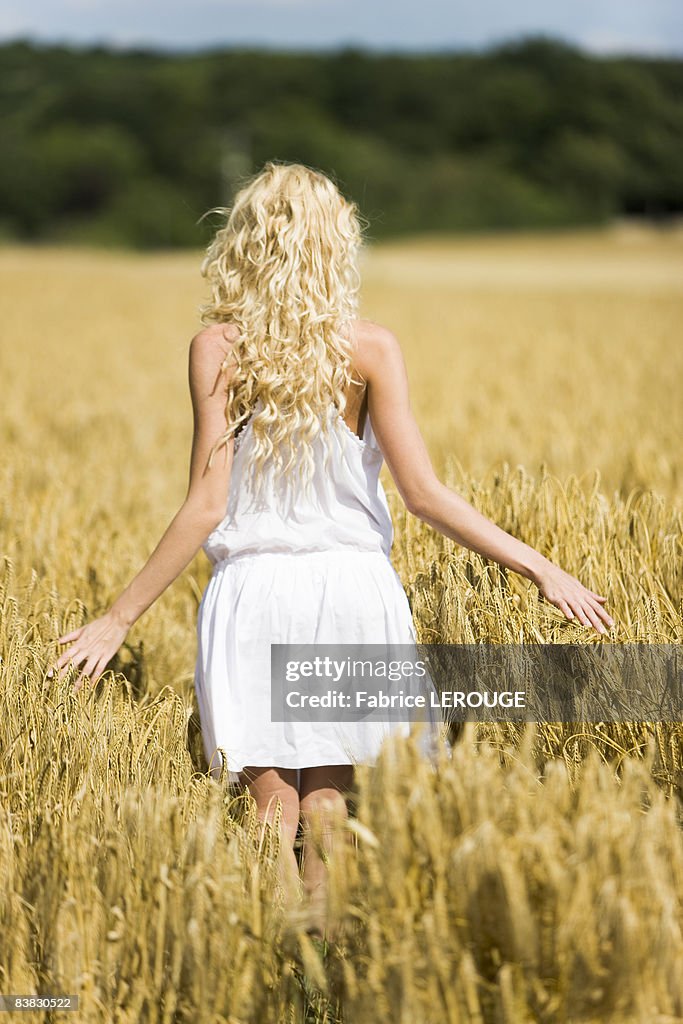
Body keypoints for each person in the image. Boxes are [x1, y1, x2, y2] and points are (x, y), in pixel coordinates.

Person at [50, 160, 614, 937]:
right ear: (335, 245)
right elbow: (425, 497)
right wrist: (541, 567)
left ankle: (277, 972)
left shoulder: (217, 348)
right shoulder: (371, 348)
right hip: (352, 591)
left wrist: (118, 619)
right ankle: (323, 976)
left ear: (245, 241)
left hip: (256, 591)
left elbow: (205, 504)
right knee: (330, 802)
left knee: (270, 804)